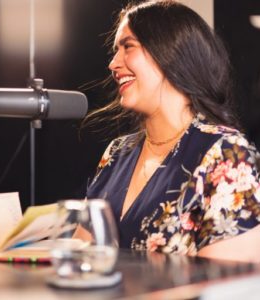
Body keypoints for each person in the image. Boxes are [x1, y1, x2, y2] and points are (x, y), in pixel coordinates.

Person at [85, 0, 260, 262]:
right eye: (115, 50)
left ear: (170, 52)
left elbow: (225, 282)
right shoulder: (116, 153)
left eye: (128, 47)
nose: (113, 63)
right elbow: (81, 252)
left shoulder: (226, 153)